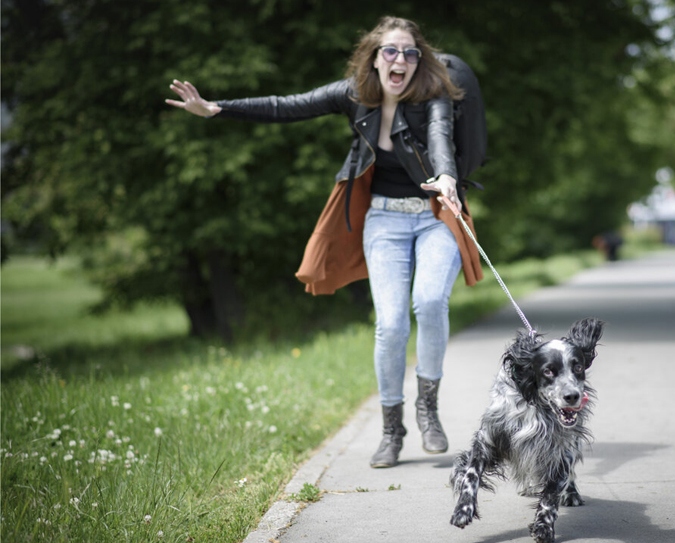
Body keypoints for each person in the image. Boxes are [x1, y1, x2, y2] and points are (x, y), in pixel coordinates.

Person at [166, 16, 483, 468]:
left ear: (419, 61)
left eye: (410, 53)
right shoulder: (352, 94)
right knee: (391, 324)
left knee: (430, 303)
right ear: (374, 58)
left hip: (434, 216)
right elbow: (286, 105)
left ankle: (427, 408)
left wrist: (447, 175)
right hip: (384, 220)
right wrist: (217, 109)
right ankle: (392, 429)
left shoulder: (433, 95)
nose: (401, 60)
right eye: (390, 51)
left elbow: (440, 136)